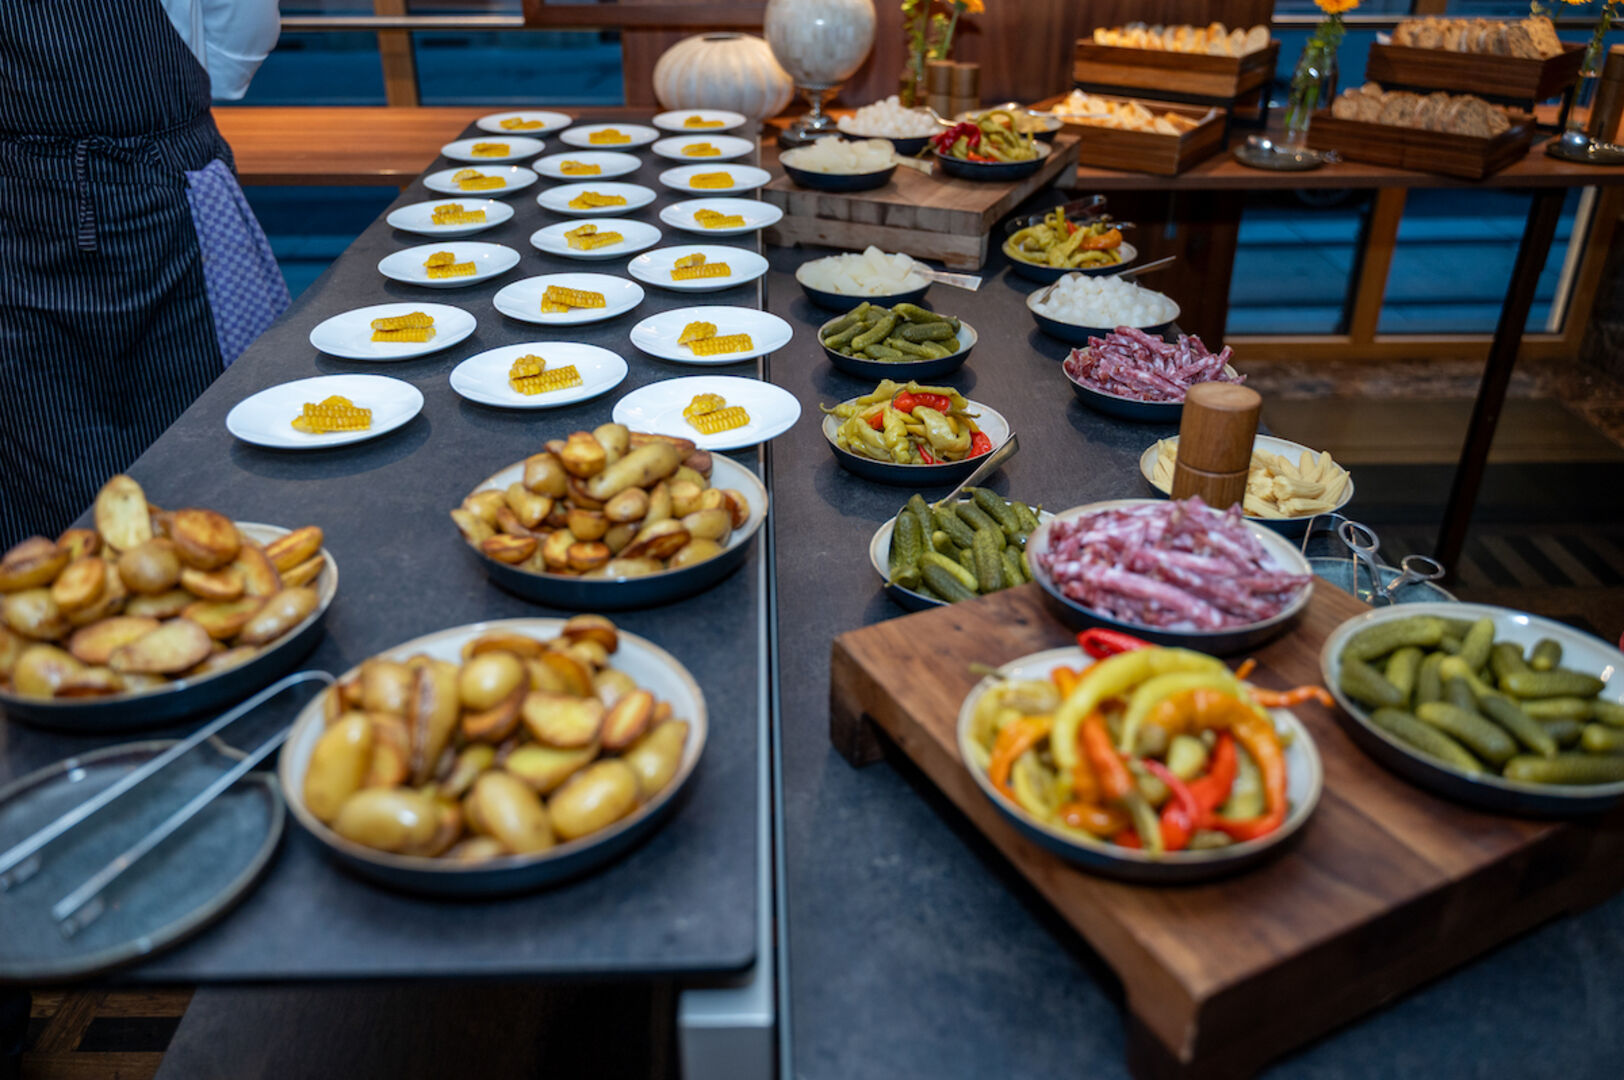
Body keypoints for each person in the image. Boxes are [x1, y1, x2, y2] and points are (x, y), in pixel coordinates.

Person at [0, 0, 287, 548]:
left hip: (56, 198)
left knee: (57, 490)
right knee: (197, 480)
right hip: (139, 187)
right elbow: (236, 48)